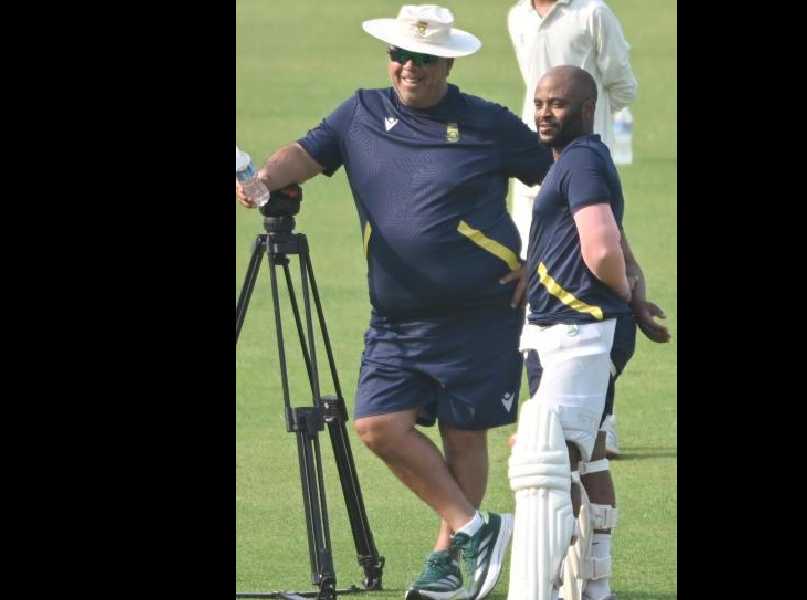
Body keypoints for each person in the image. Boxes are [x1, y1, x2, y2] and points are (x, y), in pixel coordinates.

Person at [235, 5, 553, 600]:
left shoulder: (487, 123)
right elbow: (303, 153)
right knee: (377, 424)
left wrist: (544, 259)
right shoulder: (358, 113)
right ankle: (475, 528)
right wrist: (262, 183)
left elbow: (563, 179)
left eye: (424, 57)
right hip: (397, 317)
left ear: (448, 61)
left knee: (465, 437)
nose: (408, 67)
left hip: (479, 313)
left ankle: (448, 567)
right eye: (400, 55)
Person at [507, 0, 669, 458]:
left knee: (593, 281)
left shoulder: (592, 13)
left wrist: (582, 132)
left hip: (576, 152)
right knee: (534, 282)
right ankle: (551, 412)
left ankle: (595, 421)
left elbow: (623, 85)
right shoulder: (517, 16)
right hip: (542, 158)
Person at [507, 65, 636, 600]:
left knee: (545, 461)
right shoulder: (584, 159)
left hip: (577, 332)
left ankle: (548, 588)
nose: (543, 112)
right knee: (591, 452)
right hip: (577, 330)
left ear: (586, 110)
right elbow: (612, 239)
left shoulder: (579, 161)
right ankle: (591, 585)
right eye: (539, 102)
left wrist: (621, 297)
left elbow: (602, 246)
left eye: (557, 104)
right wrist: (634, 299)